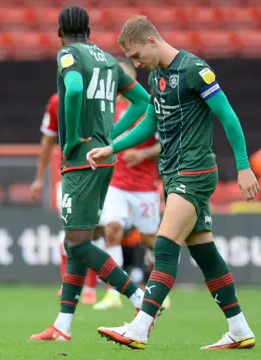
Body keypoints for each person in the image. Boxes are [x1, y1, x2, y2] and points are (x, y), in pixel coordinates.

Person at [89, 15, 259, 350]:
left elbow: (227, 116)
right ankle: (239, 329)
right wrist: (113, 146)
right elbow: (150, 121)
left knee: (165, 245)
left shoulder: (195, 69)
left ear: (152, 41)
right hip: (173, 174)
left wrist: (243, 166)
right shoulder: (157, 75)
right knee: (205, 252)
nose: (136, 63)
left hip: (193, 173)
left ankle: (140, 326)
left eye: (137, 56)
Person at [30, 6, 152, 341]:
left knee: (78, 245)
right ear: (89, 29)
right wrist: (113, 136)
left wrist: (69, 139)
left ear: (60, 32)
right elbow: (143, 103)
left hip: (81, 161)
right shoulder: (109, 60)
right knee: (77, 241)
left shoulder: (69, 54)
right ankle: (63, 325)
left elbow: (71, 90)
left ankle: (143, 301)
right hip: (104, 158)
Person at [93, 59, 165, 310]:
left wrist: (143, 155)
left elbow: (165, 143)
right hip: (116, 183)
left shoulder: (148, 107)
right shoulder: (108, 111)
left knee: (151, 241)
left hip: (144, 186)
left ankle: (158, 290)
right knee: (111, 229)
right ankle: (113, 292)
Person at [30, 92, 98, 305]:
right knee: (70, 230)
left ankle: (93, 287)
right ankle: (73, 284)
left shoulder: (100, 97)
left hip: (99, 172)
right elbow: (47, 140)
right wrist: (39, 178)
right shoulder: (56, 101)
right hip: (68, 174)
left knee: (95, 230)